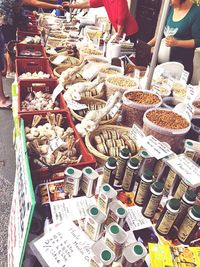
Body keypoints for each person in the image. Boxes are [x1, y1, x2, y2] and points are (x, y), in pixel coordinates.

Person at [0, 0, 63, 108]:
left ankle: (2, 96)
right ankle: (1, 99)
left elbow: (18, 8)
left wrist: (25, 20)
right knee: (4, 48)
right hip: (4, 21)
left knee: (4, 48)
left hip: (5, 21)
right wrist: (55, 6)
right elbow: (34, 2)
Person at [148, 0, 200, 82]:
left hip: (181, 67)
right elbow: (161, 33)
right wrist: (147, 46)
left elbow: (198, 41)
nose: (168, 1)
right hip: (164, 63)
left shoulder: (196, 13)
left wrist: (177, 43)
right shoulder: (170, 8)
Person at [62, 0, 138, 42]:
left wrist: (118, 36)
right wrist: (73, 5)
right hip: (120, 30)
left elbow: (121, 19)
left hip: (130, 31)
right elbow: (89, 3)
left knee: (128, 55)